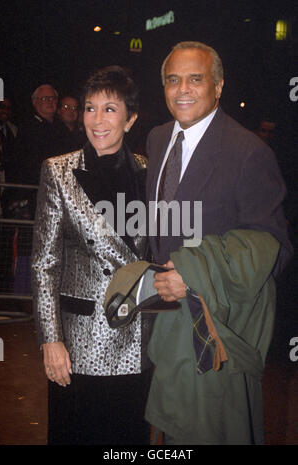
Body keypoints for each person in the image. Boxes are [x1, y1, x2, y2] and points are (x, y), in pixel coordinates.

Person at [144, 41, 293, 445]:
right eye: (173, 80)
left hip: (214, 330)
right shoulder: (158, 139)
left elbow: (275, 247)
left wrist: (197, 276)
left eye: (196, 79)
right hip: (165, 329)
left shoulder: (249, 152)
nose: (183, 90)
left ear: (219, 86)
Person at [31, 66, 152, 445]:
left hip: (136, 339)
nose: (97, 120)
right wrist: (50, 340)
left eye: (110, 109)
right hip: (79, 342)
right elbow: (43, 264)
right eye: (89, 108)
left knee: (127, 439)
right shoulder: (59, 171)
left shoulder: (150, 173)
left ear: (130, 119)